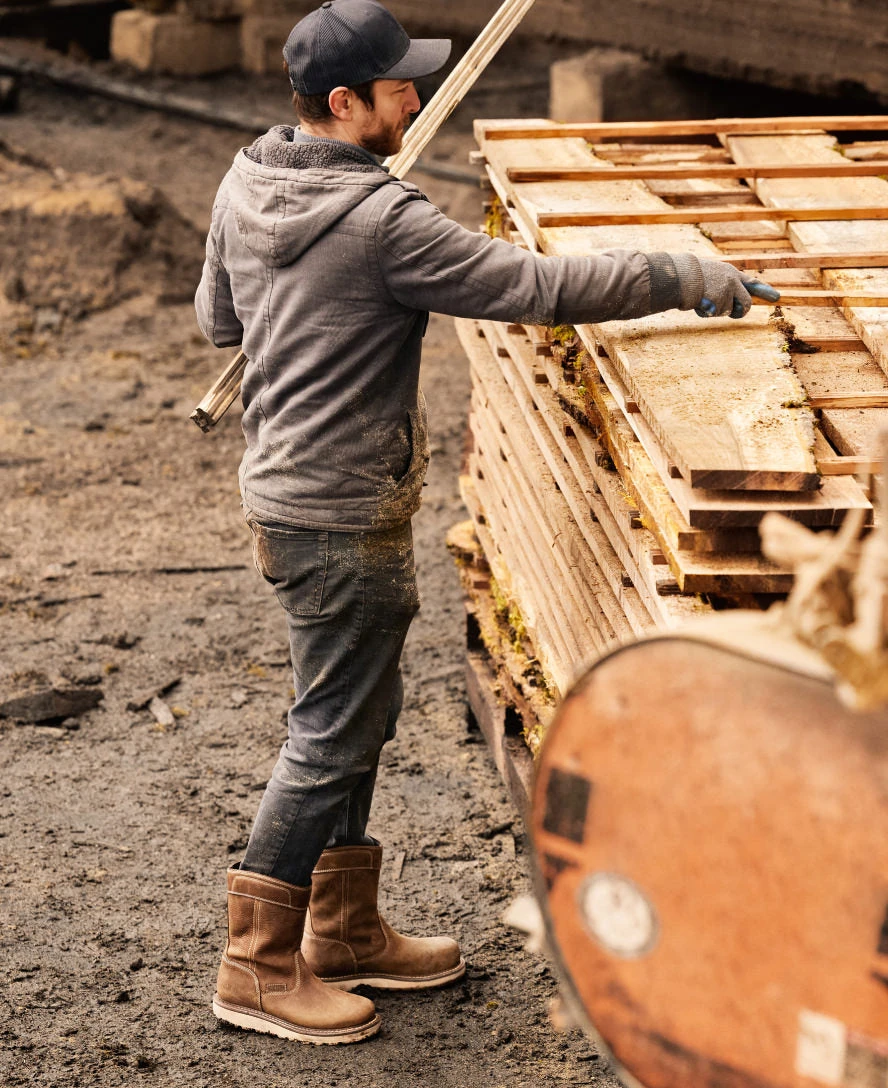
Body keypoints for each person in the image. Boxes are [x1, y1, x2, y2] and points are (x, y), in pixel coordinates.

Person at [194, 0, 776, 1047]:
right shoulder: (382, 220)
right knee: (328, 733)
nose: (414, 100)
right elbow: (535, 287)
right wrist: (682, 273)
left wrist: (304, 315)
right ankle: (256, 964)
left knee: (357, 712)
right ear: (344, 101)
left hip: (295, 498)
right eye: (398, 88)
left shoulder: (248, 179)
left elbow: (217, 321)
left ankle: (342, 928)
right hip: (339, 514)